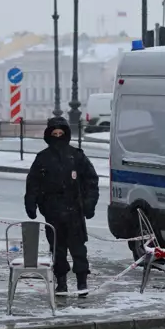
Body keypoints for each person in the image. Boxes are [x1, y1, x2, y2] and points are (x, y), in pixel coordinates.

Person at [24, 116, 100, 296]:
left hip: (75, 211)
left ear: (66, 134)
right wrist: (31, 203)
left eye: (61, 133)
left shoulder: (76, 156)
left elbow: (91, 181)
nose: (58, 136)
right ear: (49, 135)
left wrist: (89, 204)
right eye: (54, 133)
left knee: (78, 249)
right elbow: (33, 183)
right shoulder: (42, 158)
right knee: (57, 249)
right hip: (52, 211)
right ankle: (61, 282)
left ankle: (82, 281)